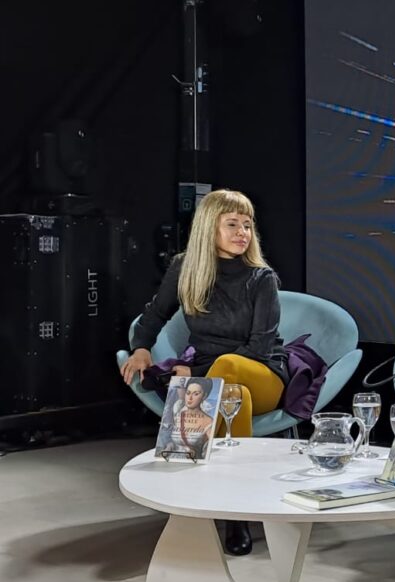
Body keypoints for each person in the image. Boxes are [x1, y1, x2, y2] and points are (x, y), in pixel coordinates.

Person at [120, 189, 288, 556]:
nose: (243, 232)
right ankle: (236, 513)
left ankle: (191, 484)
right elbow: (154, 314)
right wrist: (142, 348)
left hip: (263, 375)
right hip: (219, 384)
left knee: (227, 374)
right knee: (231, 395)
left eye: (247, 225)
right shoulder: (185, 268)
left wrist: (197, 371)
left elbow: (260, 347)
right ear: (208, 229)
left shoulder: (261, 279)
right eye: (232, 224)